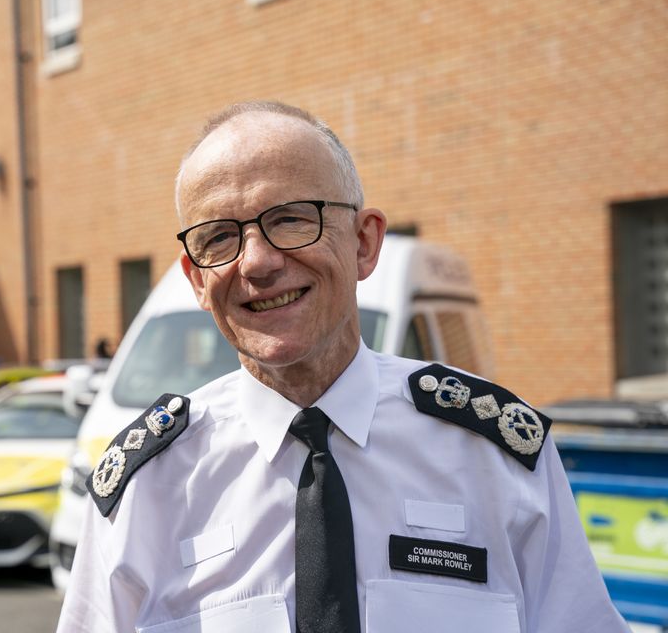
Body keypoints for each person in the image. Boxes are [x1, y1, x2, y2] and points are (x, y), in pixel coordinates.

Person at [56, 101, 629, 632]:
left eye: (290, 219)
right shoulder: (150, 490)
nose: (256, 263)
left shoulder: (491, 459)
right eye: (219, 237)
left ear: (363, 243)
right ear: (197, 280)